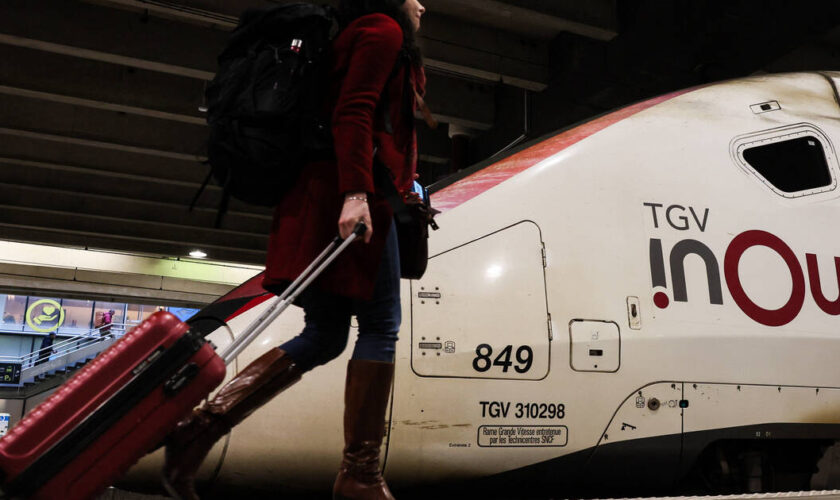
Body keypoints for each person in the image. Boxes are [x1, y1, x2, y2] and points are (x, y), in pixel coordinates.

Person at [162, 1, 427, 499]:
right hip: (351, 198)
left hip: (323, 195)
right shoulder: (383, 29)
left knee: (326, 334)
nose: (421, 4)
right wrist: (356, 196)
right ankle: (360, 475)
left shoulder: (359, 30)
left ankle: (196, 433)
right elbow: (353, 112)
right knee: (380, 327)